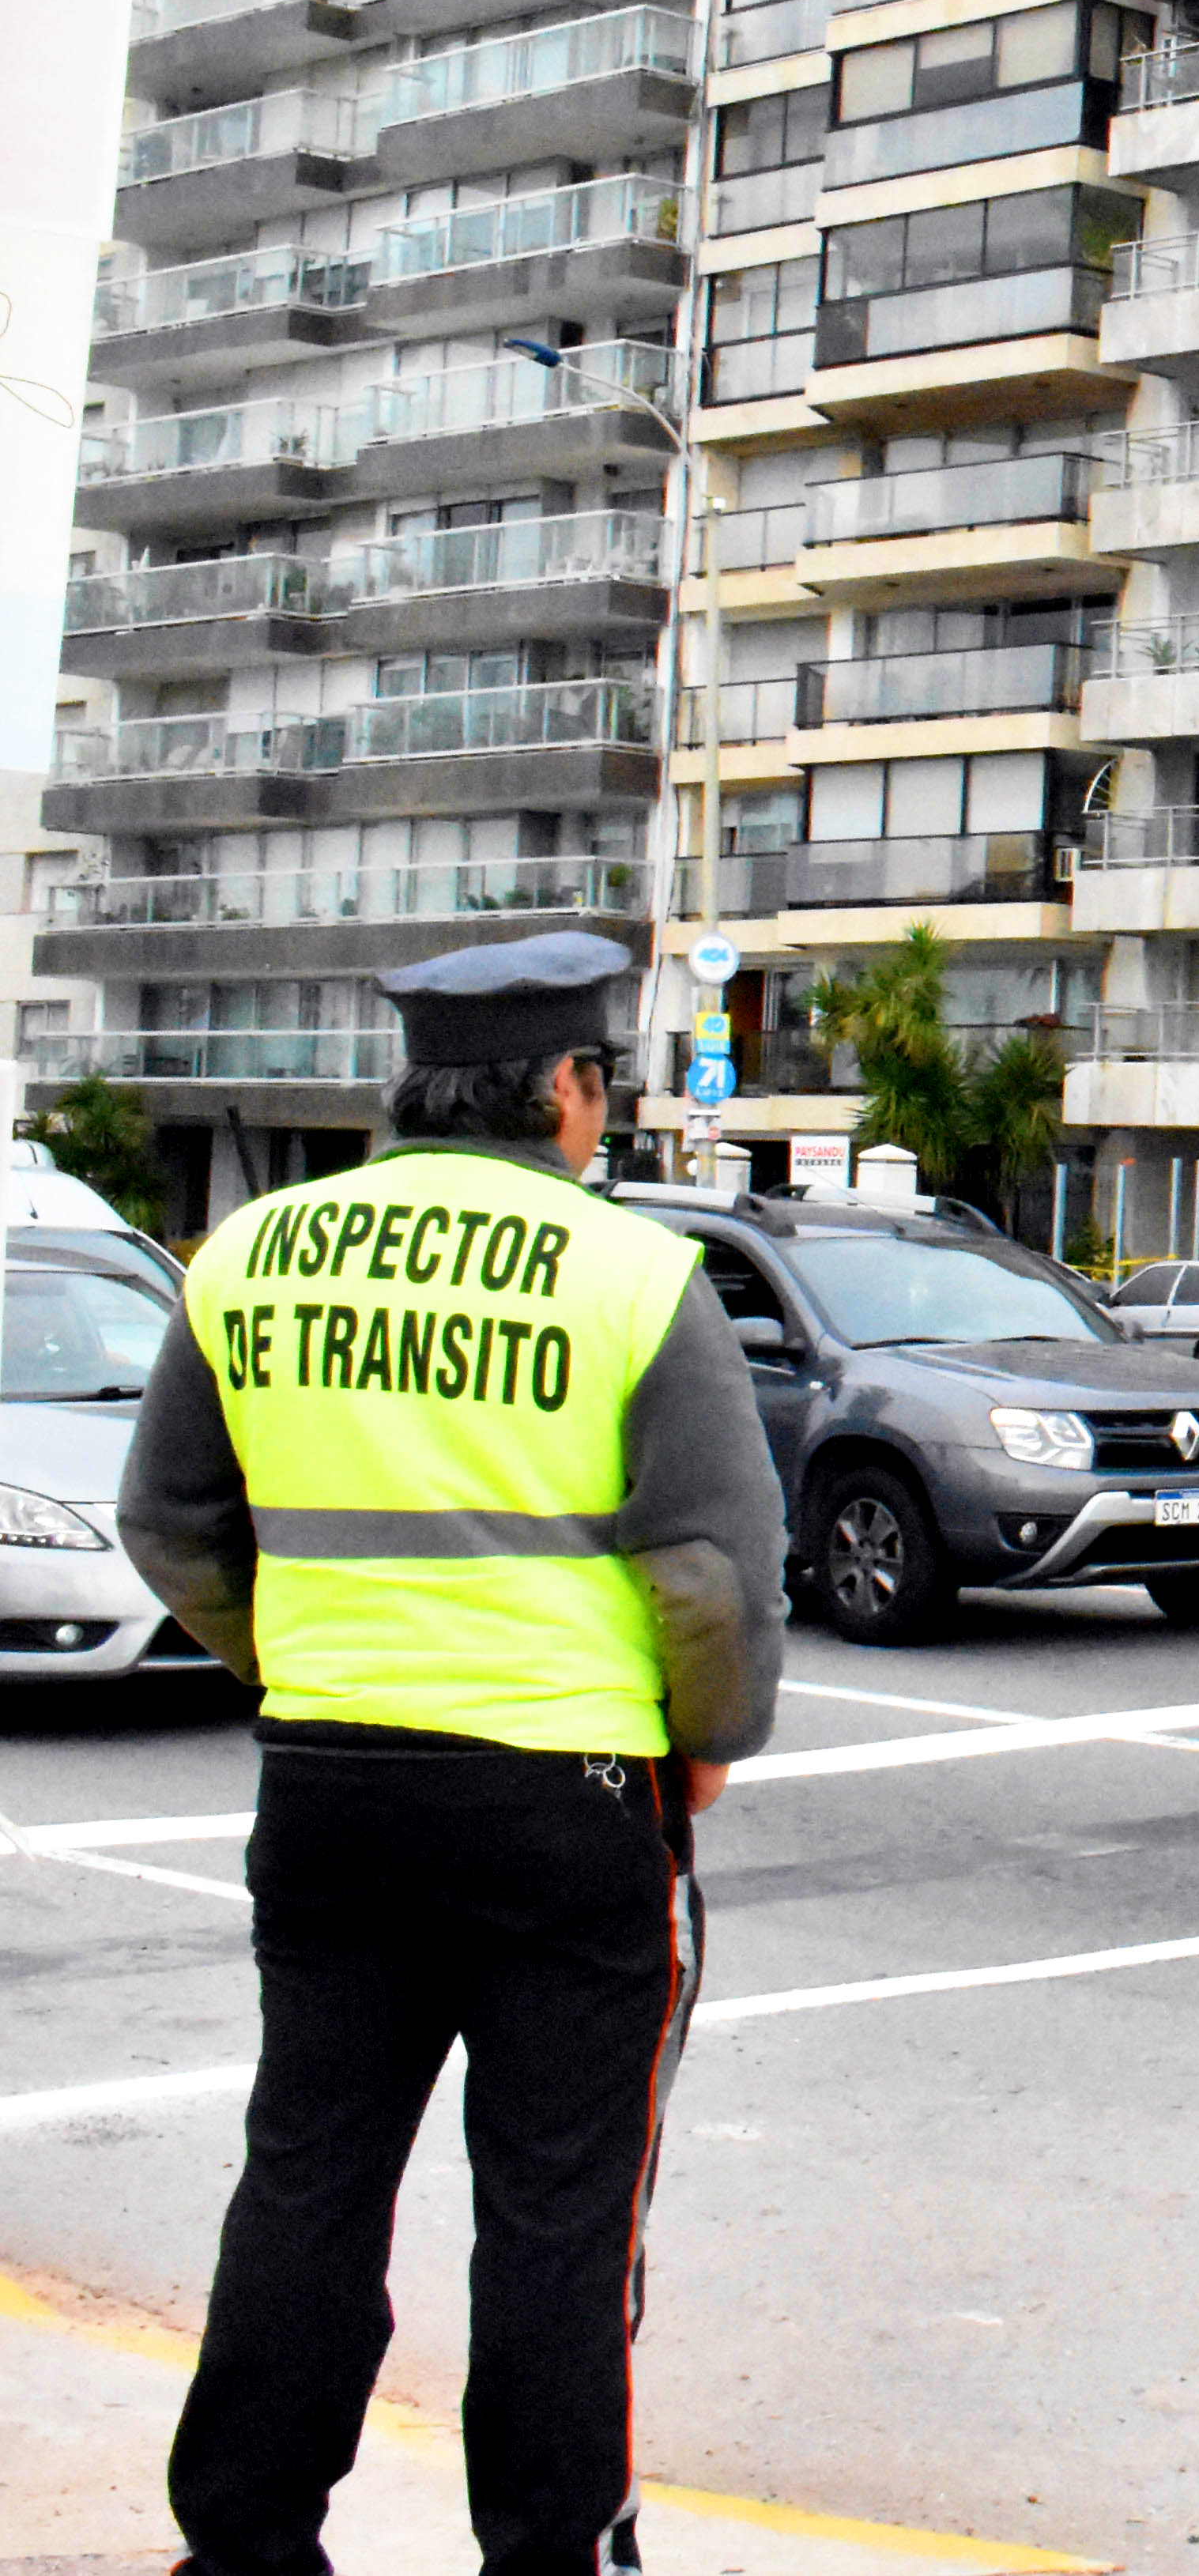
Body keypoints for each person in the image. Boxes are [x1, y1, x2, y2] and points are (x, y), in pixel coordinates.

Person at [119, 930, 790, 2576]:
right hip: (565, 1806)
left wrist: (307, 1663)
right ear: (565, 1088)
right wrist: (700, 1744)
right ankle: (545, 2554)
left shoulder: (251, 1255)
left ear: (409, 1087)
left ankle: (245, 2543)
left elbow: (170, 1525)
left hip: (334, 1782)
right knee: (557, 2216)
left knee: (308, 2178)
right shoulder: (631, 1275)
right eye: (600, 1090)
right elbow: (709, 1576)